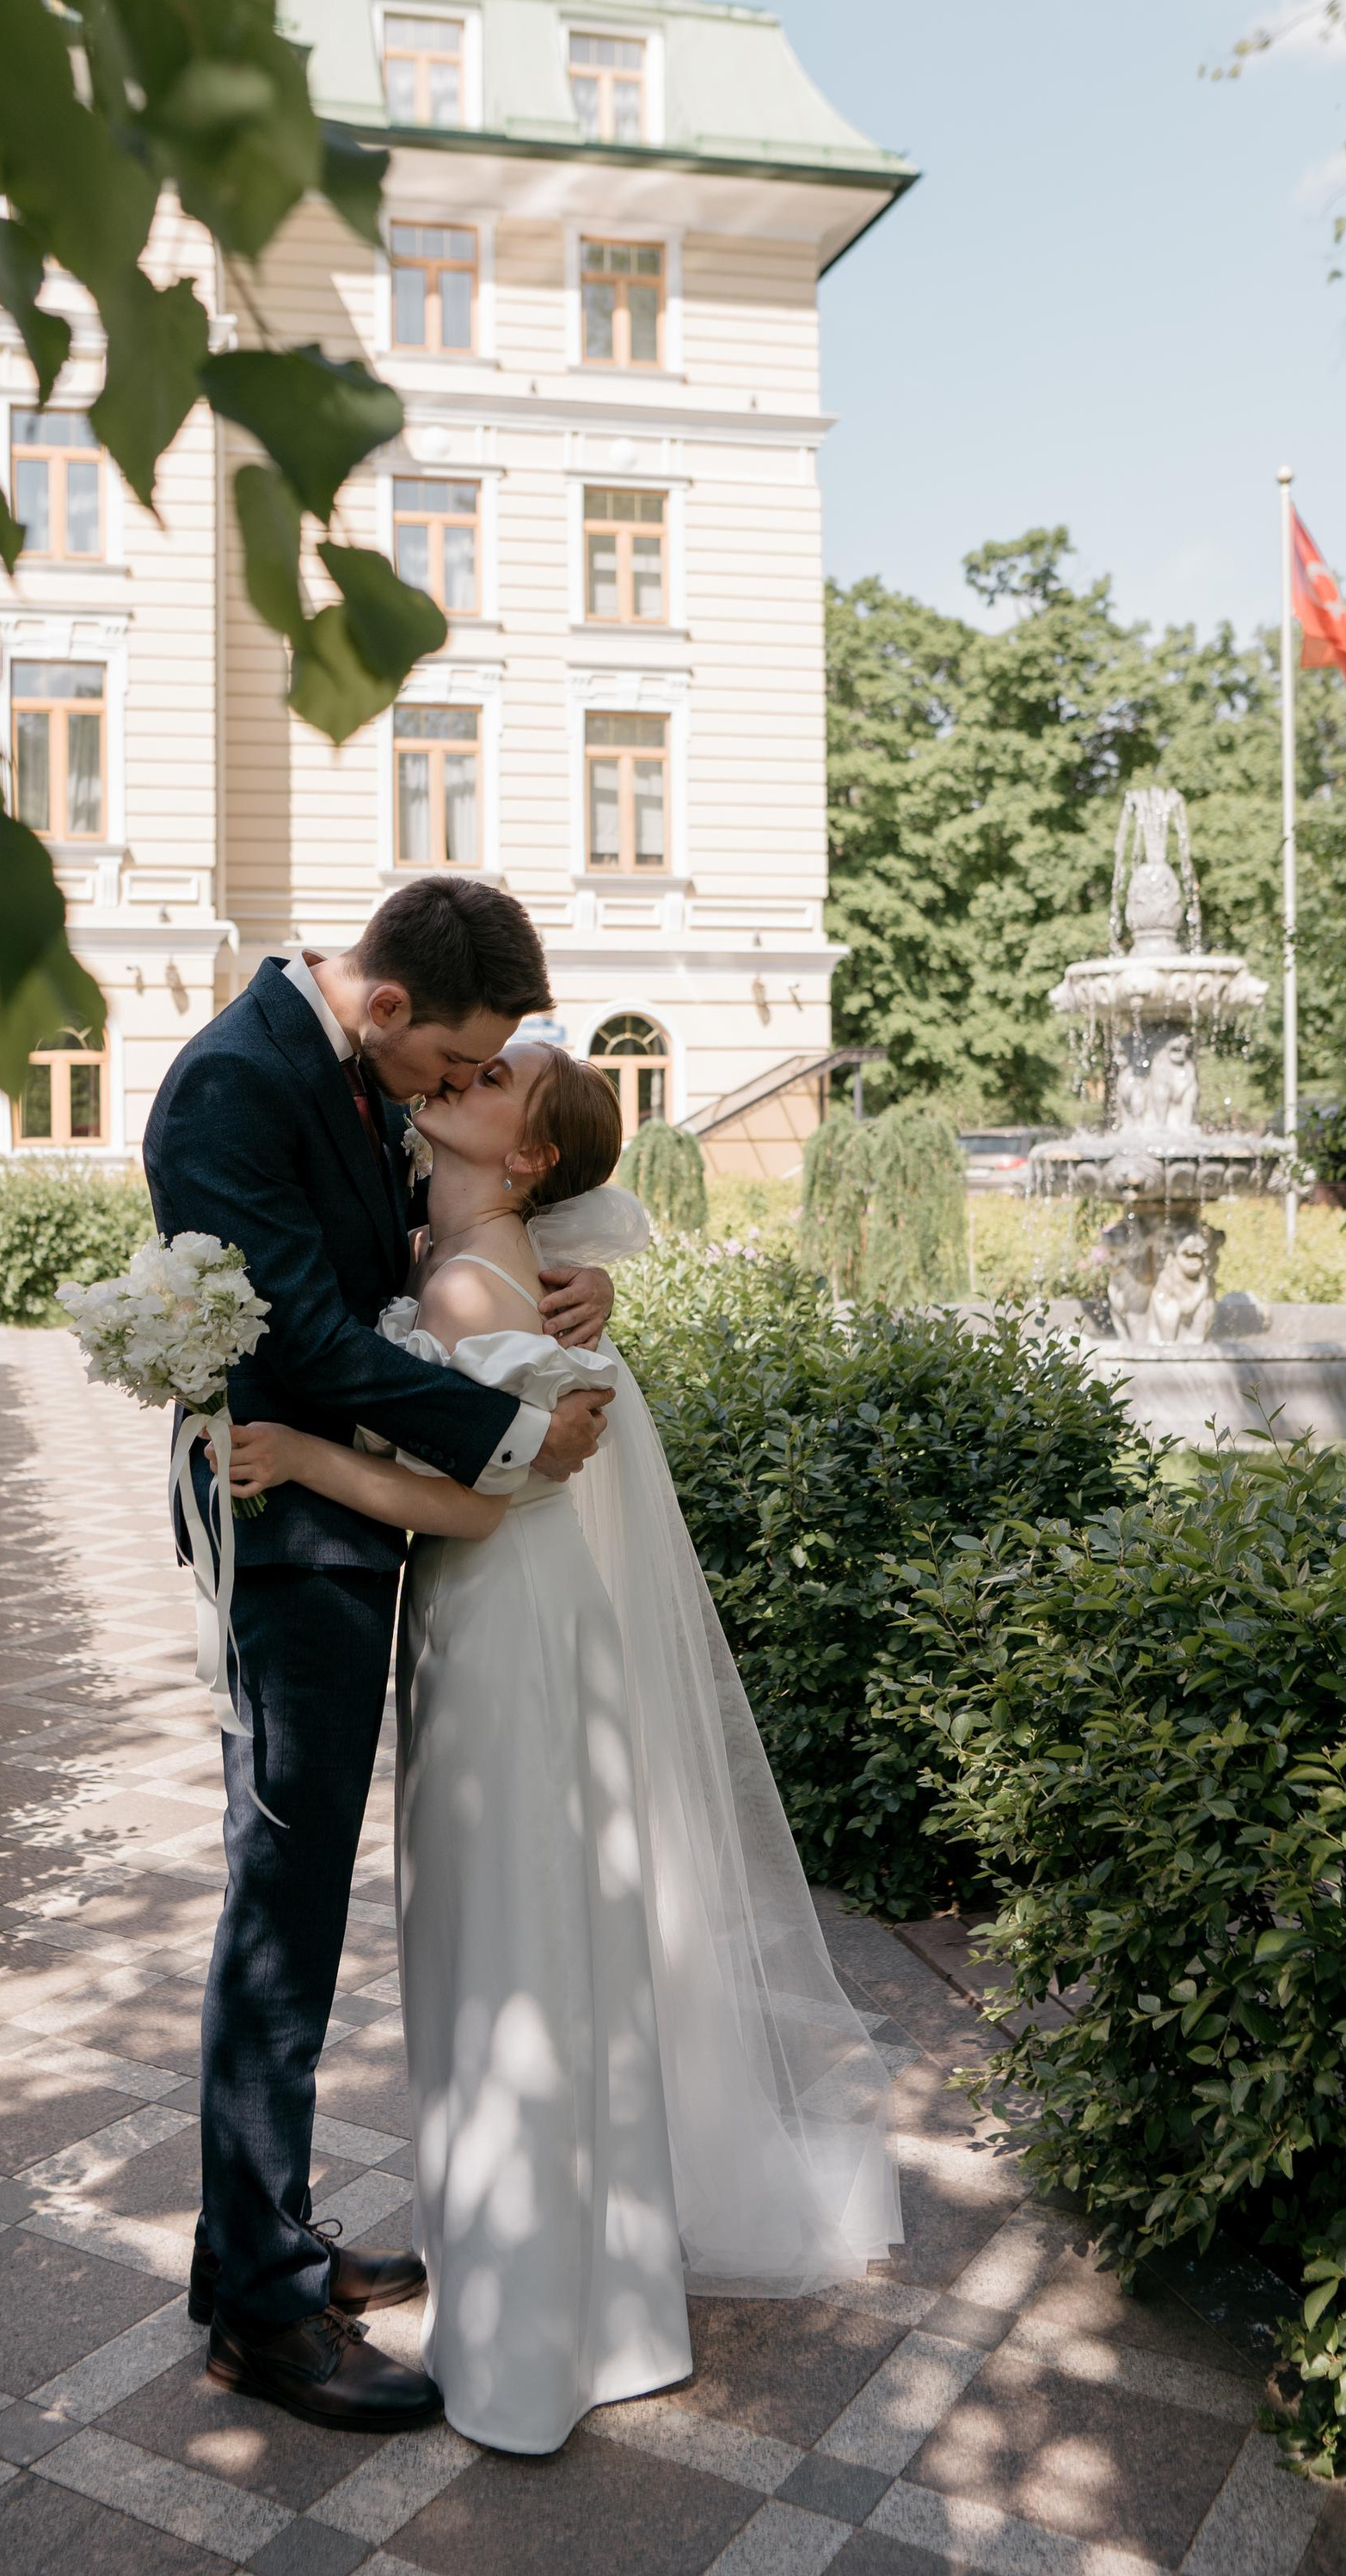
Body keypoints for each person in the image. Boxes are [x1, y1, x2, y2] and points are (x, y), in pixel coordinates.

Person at [230, 1039, 903, 2455]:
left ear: (528, 1155)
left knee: (512, 1948)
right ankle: (600, 2301)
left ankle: (532, 2336)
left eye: (487, 1083)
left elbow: (470, 1503)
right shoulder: (481, 1256)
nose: (457, 1080)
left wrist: (298, 1462)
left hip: (503, 1627)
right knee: (540, 1940)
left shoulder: (478, 1281)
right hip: (517, 1628)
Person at [139, 879, 617, 2434]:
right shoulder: (232, 1082)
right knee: (279, 1906)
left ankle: (258, 2245)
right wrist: (518, 1428)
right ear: (392, 1007)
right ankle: (262, 2321)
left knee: (305, 1896)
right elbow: (311, 1342)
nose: (446, 1095)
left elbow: (407, 1258)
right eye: (451, 1062)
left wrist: (561, 1292)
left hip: (351, 1523)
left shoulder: (344, 1067)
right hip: (289, 1536)